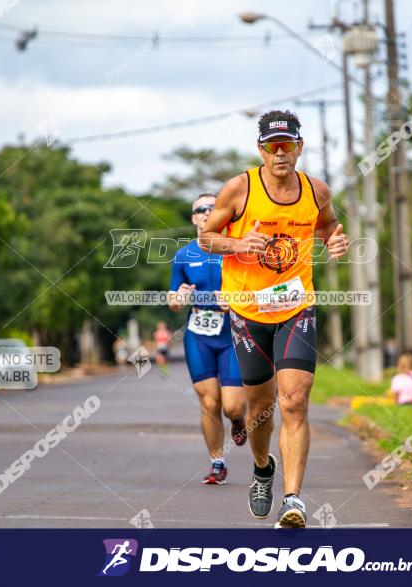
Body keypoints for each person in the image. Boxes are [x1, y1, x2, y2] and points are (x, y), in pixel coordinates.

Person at [199, 110, 348, 528]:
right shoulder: (239, 188)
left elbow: (329, 224)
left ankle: (294, 499)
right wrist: (238, 242)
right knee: (260, 408)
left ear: (300, 147)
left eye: (287, 145)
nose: (279, 153)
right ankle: (263, 468)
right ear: (260, 150)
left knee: (295, 401)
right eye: (271, 146)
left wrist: (334, 239)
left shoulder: (315, 190)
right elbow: (205, 237)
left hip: (296, 307)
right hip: (248, 312)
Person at [168, 193, 248, 485]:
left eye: (213, 208)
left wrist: (236, 301)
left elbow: (255, 290)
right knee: (208, 401)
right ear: (193, 218)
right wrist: (180, 298)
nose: (206, 212)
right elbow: (174, 299)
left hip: (232, 333)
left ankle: (238, 420)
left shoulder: (236, 251)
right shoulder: (183, 255)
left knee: (232, 406)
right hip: (199, 333)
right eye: (201, 209)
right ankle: (217, 462)